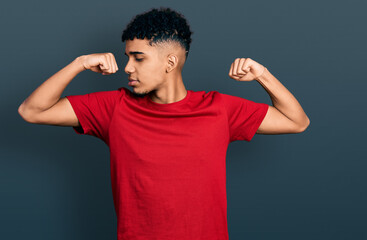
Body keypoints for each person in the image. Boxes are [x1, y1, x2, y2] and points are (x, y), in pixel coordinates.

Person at [18, 6, 310, 240]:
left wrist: (263, 74)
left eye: (139, 58)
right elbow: (32, 111)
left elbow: (296, 121)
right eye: (127, 57)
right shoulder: (113, 108)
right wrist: (79, 63)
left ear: (170, 63)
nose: (128, 67)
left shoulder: (219, 108)